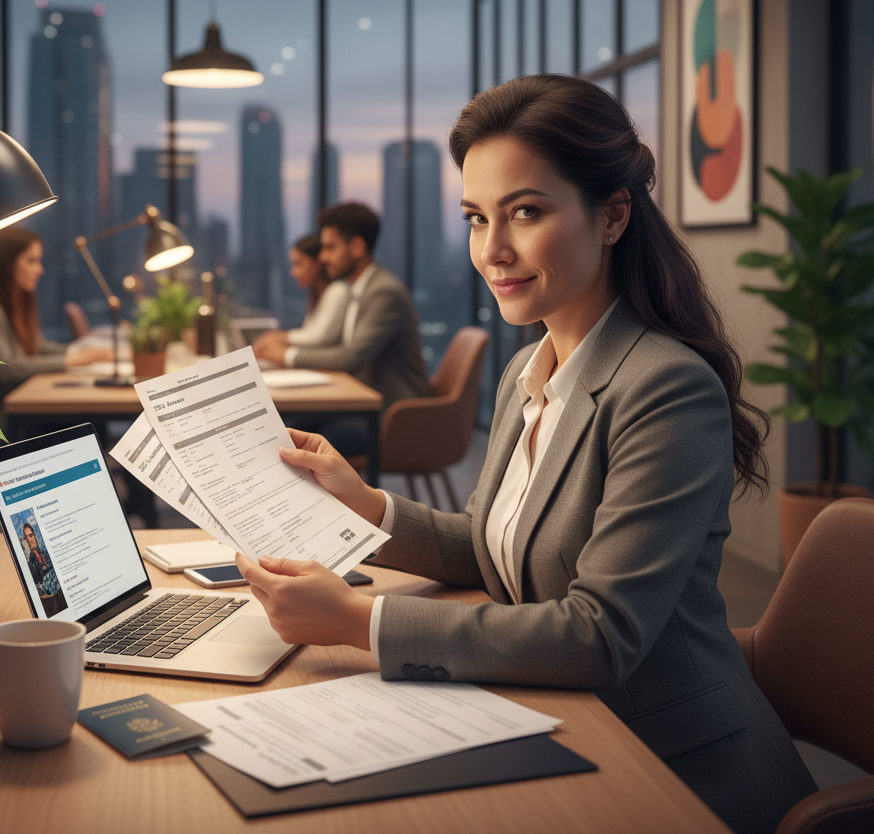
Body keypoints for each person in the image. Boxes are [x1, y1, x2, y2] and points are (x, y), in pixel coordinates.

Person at [235, 76, 816, 834]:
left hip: (677, 768)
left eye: (526, 212)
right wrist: (361, 499)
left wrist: (356, 620)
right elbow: (490, 547)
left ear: (612, 217)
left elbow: (599, 635)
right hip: (555, 719)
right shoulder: (528, 371)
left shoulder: (666, 388)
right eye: (477, 218)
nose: (492, 250)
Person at [253, 203, 432, 409]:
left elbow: (350, 358)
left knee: (296, 425)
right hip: (364, 397)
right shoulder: (358, 288)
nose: (322, 257)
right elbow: (333, 345)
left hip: (395, 410)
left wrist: (285, 354)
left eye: (330, 248)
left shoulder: (384, 292)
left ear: (357, 247)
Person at [0, 226, 110, 451]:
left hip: (10, 410)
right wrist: (74, 360)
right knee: (85, 427)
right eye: (31, 261)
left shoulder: (9, 305)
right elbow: (6, 369)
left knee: (89, 425)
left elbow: (37, 346)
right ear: (6, 264)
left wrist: (81, 353)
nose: (40, 270)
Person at [283, 233, 349, 348]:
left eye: (298, 264)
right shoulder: (316, 295)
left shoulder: (338, 290)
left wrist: (281, 337)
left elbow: (319, 337)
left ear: (318, 262)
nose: (293, 272)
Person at [21, 521, 67, 617]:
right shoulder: (30, 562)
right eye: (28, 537)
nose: (31, 539)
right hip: (50, 601)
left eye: (32, 535)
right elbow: (35, 587)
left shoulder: (42, 553)